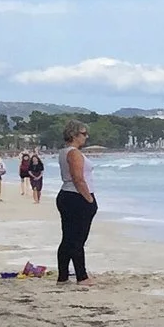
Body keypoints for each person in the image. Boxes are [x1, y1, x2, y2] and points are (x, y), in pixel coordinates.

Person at [55, 122, 97, 284]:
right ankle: (81, 276)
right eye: (83, 134)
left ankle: (63, 276)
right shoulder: (73, 153)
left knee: (68, 238)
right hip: (76, 197)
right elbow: (78, 179)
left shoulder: (65, 152)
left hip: (68, 195)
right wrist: (89, 199)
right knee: (77, 239)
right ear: (74, 135)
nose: (86, 137)